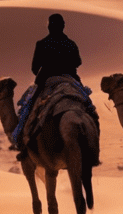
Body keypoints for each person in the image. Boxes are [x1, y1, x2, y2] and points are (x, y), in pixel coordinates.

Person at [12, 13, 85, 148]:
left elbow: (35, 68)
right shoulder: (71, 44)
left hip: (47, 81)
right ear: (63, 26)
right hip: (70, 80)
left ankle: (20, 141)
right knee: (88, 106)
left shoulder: (41, 44)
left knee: (28, 108)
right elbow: (78, 62)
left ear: (49, 27)